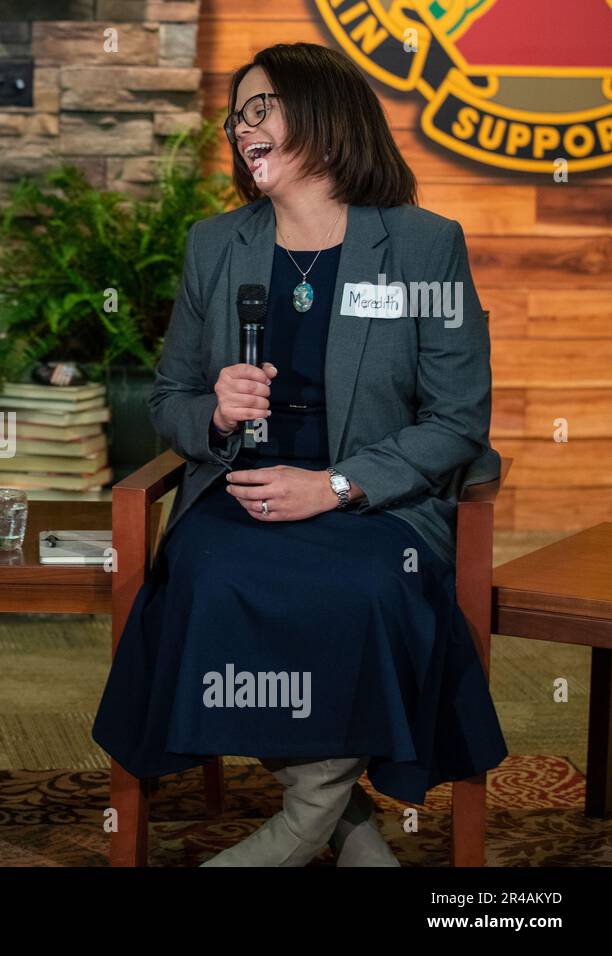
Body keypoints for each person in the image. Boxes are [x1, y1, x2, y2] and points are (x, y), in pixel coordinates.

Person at [91, 42, 507, 866]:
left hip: (374, 503)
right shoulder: (216, 245)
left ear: (323, 116)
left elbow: (458, 418)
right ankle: (345, 825)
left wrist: (336, 485)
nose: (242, 129)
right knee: (212, 575)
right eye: (236, 115)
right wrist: (213, 412)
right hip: (238, 494)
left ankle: (298, 825)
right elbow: (168, 398)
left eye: (261, 109)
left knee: (366, 588)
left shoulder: (424, 246)